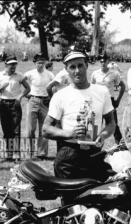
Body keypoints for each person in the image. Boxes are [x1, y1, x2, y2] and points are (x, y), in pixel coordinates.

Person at [42, 49, 115, 183]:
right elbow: (46, 129)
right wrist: (70, 133)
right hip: (69, 156)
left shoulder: (102, 92)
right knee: (71, 202)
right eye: (72, 67)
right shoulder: (60, 96)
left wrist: (103, 135)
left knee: (101, 198)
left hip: (94, 153)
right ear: (66, 69)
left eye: (80, 65)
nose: (77, 71)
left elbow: (111, 123)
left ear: (87, 65)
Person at [0, 56, 31, 161]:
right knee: (6, 130)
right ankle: (9, 154)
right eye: (11, 64)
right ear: (6, 64)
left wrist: (20, 96)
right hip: (3, 104)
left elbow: (28, 88)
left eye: (14, 64)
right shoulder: (0, 75)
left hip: (15, 104)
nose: (13, 66)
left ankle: (16, 154)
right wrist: (2, 87)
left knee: (16, 130)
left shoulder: (19, 76)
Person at [25, 53, 54, 159]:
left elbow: (54, 86)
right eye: (38, 63)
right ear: (35, 63)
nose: (41, 65)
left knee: (44, 128)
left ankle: (42, 153)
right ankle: (30, 151)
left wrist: (51, 97)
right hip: (33, 100)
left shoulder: (49, 74)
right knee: (30, 128)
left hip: (45, 101)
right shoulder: (30, 73)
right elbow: (21, 82)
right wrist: (25, 94)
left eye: (42, 62)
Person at [91, 54, 125, 144]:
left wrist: (118, 100)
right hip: (97, 100)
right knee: (96, 123)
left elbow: (122, 86)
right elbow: (91, 86)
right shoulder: (95, 73)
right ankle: (95, 144)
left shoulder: (114, 73)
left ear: (108, 62)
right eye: (101, 61)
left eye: (104, 61)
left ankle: (119, 144)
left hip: (110, 99)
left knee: (113, 123)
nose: (102, 63)